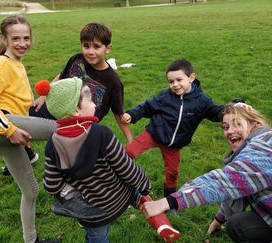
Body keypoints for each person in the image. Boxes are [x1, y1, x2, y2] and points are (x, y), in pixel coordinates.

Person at [141, 104, 272, 243]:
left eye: (237, 124)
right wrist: (219, 219)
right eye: (225, 126)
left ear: (254, 124)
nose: (229, 131)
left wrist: (166, 202)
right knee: (237, 224)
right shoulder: (256, 147)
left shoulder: (269, 148)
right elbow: (238, 185)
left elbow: (224, 182)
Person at [36, 78, 181, 242]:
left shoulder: (52, 144)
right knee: (137, 193)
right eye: (90, 100)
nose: (94, 104)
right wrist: (144, 184)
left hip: (94, 213)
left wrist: (72, 188)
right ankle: (158, 220)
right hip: (120, 196)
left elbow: (51, 185)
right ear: (76, 110)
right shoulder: (101, 134)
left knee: (97, 238)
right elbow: (126, 169)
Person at [0, 15, 60, 243]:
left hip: (4, 131)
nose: (22, 43)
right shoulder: (2, 63)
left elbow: (15, 100)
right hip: (1, 127)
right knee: (63, 129)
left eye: (26, 38)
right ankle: (79, 180)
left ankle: (30, 241)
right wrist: (10, 129)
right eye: (16, 38)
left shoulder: (16, 63)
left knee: (31, 191)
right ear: (4, 39)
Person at [121, 59, 227, 197]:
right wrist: (132, 114)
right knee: (129, 152)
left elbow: (217, 112)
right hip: (153, 134)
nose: (175, 85)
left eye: (179, 80)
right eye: (171, 82)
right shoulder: (165, 97)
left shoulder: (202, 101)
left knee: (172, 173)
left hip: (174, 145)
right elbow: (147, 107)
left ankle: (169, 200)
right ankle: (109, 175)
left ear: (191, 78)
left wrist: (235, 107)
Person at [30, 22, 133, 144]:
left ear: (108, 48)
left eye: (96, 46)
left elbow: (118, 113)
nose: (90, 51)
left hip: (81, 128)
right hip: (58, 112)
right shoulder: (77, 60)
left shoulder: (113, 80)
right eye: (86, 46)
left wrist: (130, 140)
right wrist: (43, 96)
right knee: (23, 118)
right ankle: (27, 152)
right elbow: (61, 75)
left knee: (71, 155)